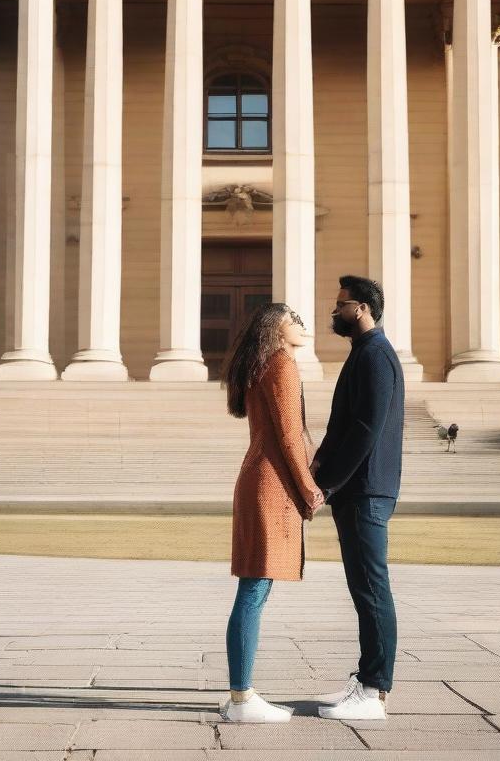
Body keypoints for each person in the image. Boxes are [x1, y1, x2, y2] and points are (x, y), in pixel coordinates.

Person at [219, 303, 325, 724]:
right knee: (254, 589)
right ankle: (242, 698)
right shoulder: (282, 363)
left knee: (254, 588)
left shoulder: (264, 362)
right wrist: (309, 489)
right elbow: (288, 436)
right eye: (294, 319)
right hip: (271, 482)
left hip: (258, 476)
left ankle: (239, 694)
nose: (302, 325)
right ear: (275, 328)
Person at [312, 275, 403, 721]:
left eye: (341, 305)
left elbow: (366, 430)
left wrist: (327, 483)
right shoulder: (362, 354)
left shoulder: (376, 357)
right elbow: (340, 426)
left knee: (371, 589)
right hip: (355, 489)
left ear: (362, 309)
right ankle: (367, 677)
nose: (335, 312)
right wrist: (318, 471)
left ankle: (374, 690)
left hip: (366, 488)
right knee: (362, 589)